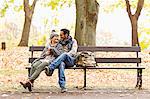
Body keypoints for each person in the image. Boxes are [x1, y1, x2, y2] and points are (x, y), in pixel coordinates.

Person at [45, 28, 78, 93]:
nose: (60, 37)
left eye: (61, 35)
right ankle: (63, 86)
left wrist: (64, 56)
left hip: (70, 60)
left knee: (64, 55)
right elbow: (49, 43)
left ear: (66, 35)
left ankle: (51, 68)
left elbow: (73, 52)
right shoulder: (60, 41)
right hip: (60, 61)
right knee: (61, 64)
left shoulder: (73, 41)